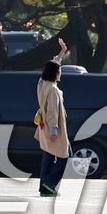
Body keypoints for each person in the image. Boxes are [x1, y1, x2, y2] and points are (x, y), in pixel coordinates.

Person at [37, 39, 71, 196]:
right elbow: (52, 111)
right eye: (59, 70)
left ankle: (44, 188)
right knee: (65, 154)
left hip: (44, 127)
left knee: (48, 157)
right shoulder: (53, 90)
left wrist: (61, 53)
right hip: (53, 128)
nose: (61, 72)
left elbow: (51, 65)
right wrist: (54, 130)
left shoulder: (43, 83)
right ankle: (50, 182)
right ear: (55, 73)